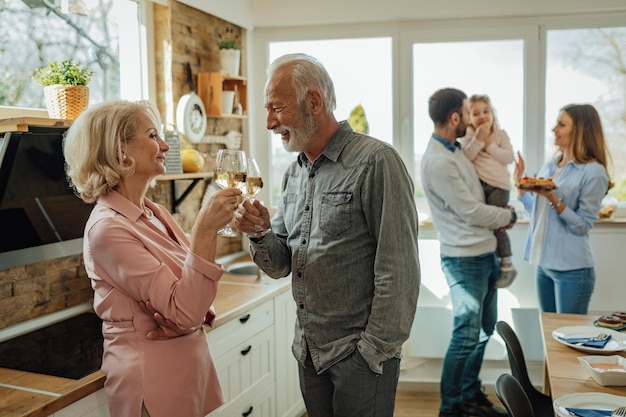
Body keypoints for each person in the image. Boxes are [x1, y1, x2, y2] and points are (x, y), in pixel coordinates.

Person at [234, 53, 420, 417]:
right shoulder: (294, 174)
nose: (269, 122)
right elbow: (282, 265)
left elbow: (398, 271)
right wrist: (259, 233)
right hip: (308, 353)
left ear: (314, 102)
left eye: (276, 108)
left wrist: (372, 351)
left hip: (360, 357)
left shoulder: (376, 161)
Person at [63, 100, 241, 417]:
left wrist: (188, 320)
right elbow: (187, 307)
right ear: (121, 151)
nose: (163, 146)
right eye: (152, 135)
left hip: (188, 369)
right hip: (153, 382)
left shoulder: (154, 212)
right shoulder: (107, 230)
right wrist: (204, 228)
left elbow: (192, 301)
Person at [421, 88, 517, 417]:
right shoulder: (438, 161)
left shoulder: (457, 150)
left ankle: (470, 396)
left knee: (483, 331)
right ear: (454, 118)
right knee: (466, 335)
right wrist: (509, 216)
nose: (472, 118)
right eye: (466, 112)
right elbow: (472, 211)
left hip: (484, 254)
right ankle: (452, 409)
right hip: (464, 260)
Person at [514, 103, 612, 314]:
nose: (554, 130)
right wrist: (522, 190)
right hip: (543, 266)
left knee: (568, 341)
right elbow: (537, 215)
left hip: (573, 271)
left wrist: (553, 198)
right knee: (549, 336)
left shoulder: (593, 172)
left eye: (561, 124)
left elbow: (582, 226)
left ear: (579, 130)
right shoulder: (551, 165)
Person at [461, 94, 517, 288]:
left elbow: (509, 157)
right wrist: (478, 139)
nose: (482, 116)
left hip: (499, 186)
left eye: (486, 111)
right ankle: (495, 259)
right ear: (469, 118)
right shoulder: (470, 135)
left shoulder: (500, 134)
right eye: (476, 113)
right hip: (480, 186)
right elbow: (466, 156)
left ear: (492, 113)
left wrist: (489, 145)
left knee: (496, 224)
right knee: (485, 224)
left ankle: (507, 265)